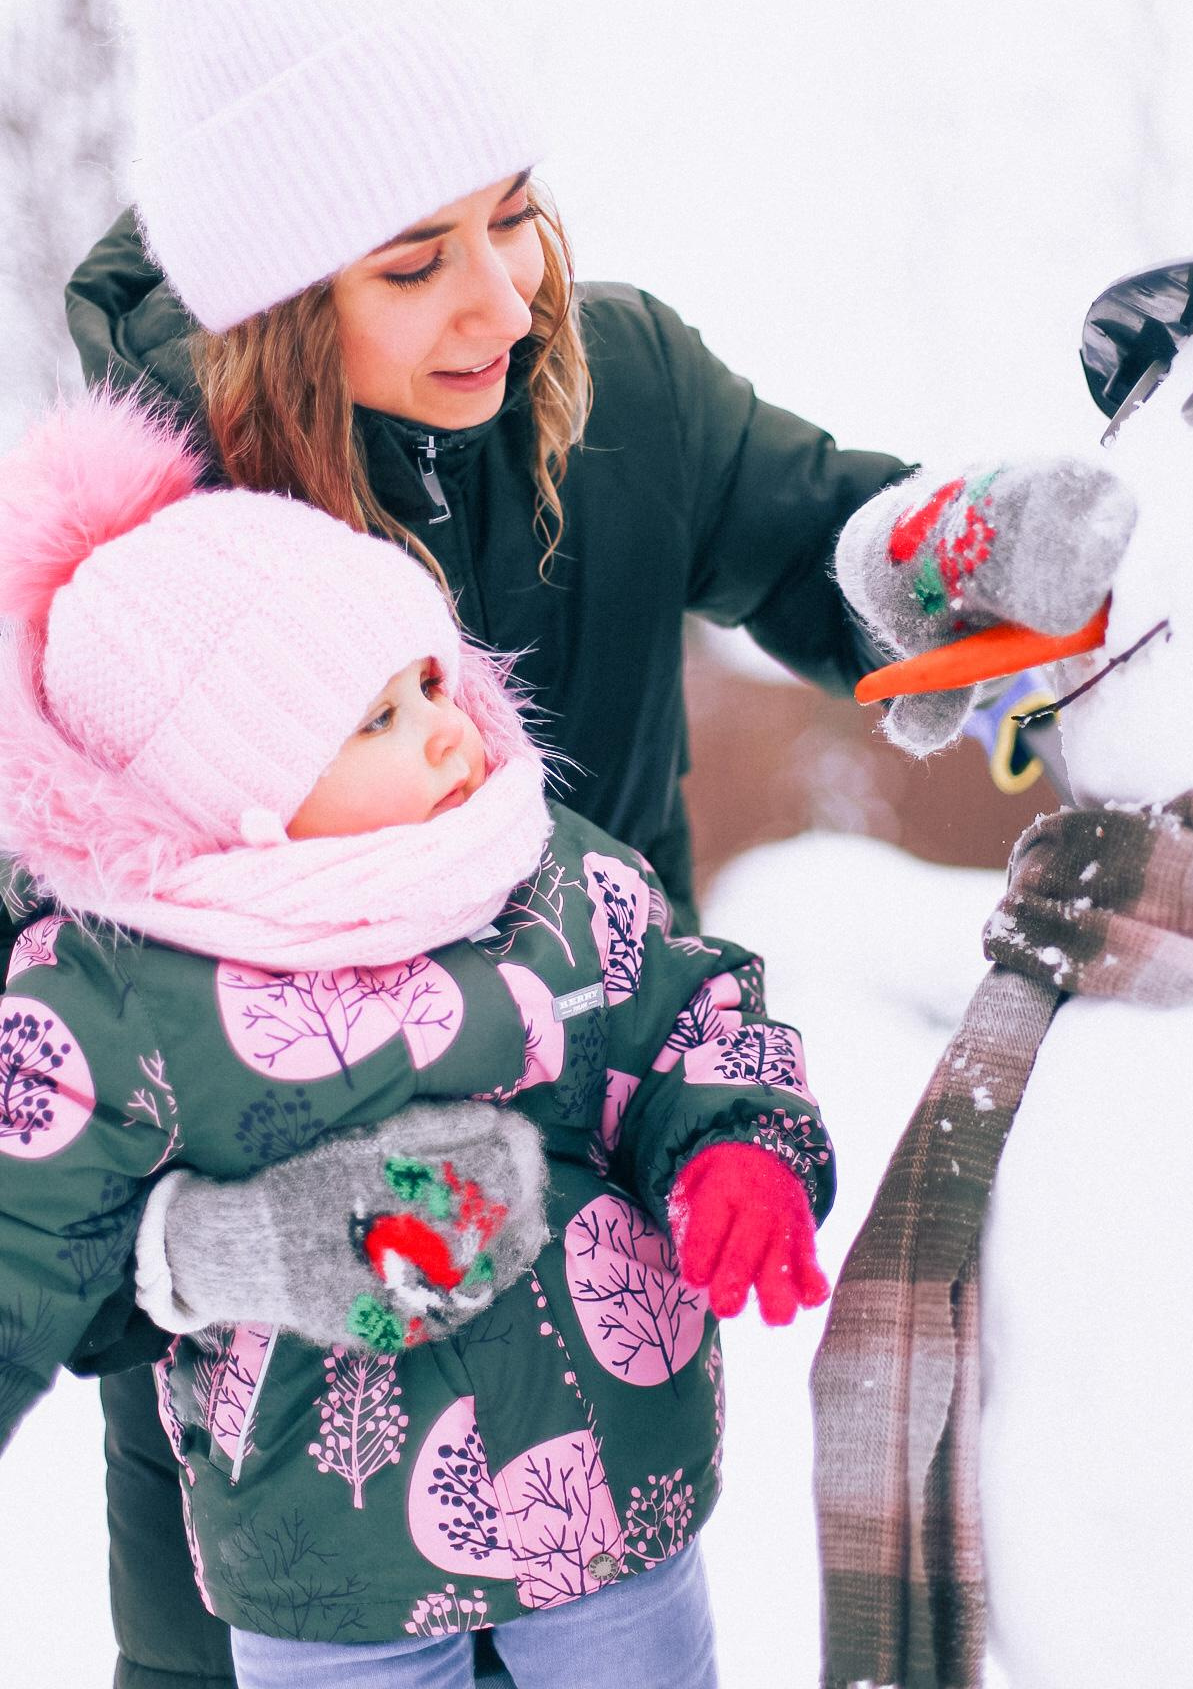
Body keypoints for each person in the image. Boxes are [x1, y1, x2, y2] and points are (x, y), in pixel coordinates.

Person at [30, 0, 910, 1689]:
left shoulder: (624, 387)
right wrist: (207, 1257)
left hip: (592, 1393)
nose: (503, 301)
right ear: (272, 307)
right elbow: (44, 1097)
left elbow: (841, 550)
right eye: (416, 260)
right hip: (267, 1478)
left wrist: (962, 555)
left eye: (516, 217)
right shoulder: (136, 598)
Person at [0, 392, 833, 1689]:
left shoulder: (541, 872)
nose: (452, 729)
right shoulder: (123, 993)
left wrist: (739, 1148)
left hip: (612, 1490)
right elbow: (21, 1230)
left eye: (429, 682)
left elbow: (688, 1014)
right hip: (326, 1554)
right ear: (244, 797)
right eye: (376, 721)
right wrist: (220, 1247)